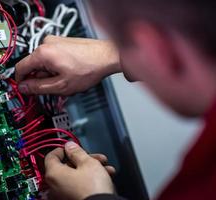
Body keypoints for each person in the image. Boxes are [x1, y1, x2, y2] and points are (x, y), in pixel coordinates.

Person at [15, 0, 216, 199]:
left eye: (122, 43)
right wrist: (112, 54)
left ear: (155, 47)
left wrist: (93, 196)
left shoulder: (199, 183)